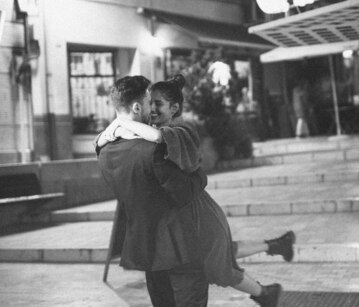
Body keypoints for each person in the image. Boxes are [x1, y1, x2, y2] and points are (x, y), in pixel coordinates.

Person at [96, 75, 287, 307]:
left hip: (146, 249)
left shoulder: (105, 150)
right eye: (149, 102)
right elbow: (188, 189)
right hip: (181, 247)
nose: (152, 109)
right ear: (137, 106)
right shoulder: (154, 149)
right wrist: (197, 176)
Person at [96, 74, 296, 266]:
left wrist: (121, 122)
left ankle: (268, 280)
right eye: (151, 103)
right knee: (221, 258)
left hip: (197, 207)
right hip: (185, 209)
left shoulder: (180, 131)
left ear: (174, 108)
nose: (153, 110)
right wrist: (116, 128)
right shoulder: (146, 134)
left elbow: (158, 137)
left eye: (158, 104)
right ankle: (273, 253)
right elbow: (103, 142)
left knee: (220, 260)